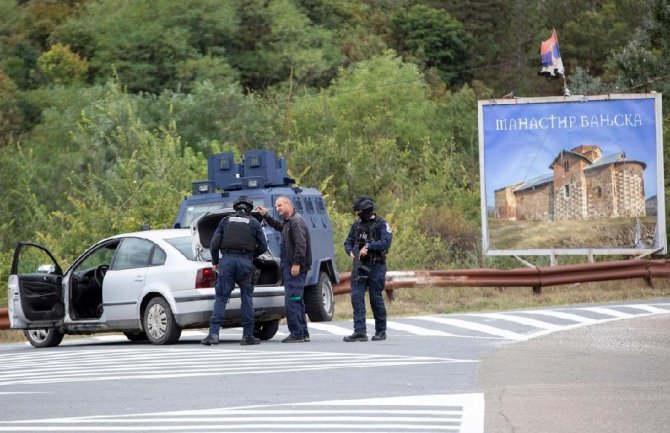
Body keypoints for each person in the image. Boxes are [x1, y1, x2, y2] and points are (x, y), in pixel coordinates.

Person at [201, 196, 268, 346]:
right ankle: (247, 336)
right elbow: (263, 246)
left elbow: (213, 245)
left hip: (227, 262)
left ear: (235, 208)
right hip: (245, 263)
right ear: (250, 209)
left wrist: (215, 263)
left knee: (221, 298)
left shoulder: (225, 221)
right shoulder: (254, 223)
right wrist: (251, 255)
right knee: (246, 299)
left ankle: (213, 334)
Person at [257, 196, 312, 343]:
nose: (277, 209)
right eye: (276, 206)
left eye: (280, 205)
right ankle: (303, 332)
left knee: (292, 300)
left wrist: (296, 263)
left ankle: (296, 333)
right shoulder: (289, 222)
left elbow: (301, 244)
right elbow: (279, 227)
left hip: (294, 267)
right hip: (291, 266)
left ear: (288, 204)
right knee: (297, 299)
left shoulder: (296, 222)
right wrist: (266, 216)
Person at [343, 196, 392, 342]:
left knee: (375, 298)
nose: (358, 214)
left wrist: (369, 247)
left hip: (376, 266)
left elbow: (385, 243)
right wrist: (350, 251)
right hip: (359, 266)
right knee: (356, 297)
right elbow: (348, 242)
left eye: (360, 211)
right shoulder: (357, 225)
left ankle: (380, 330)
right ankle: (359, 331)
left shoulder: (382, 224)